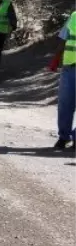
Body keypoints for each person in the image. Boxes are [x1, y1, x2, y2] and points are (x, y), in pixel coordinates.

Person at [48, 10, 76, 148]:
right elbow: (63, 38)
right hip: (70, 68)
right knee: (65, 104)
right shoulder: (74, 16)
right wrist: (56, 59)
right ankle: (64, 137)